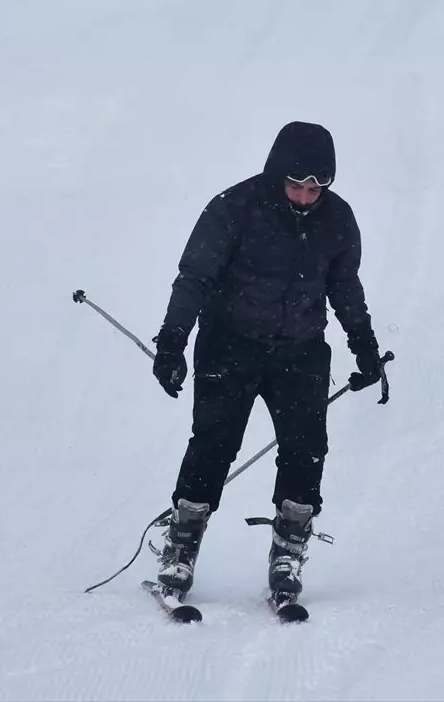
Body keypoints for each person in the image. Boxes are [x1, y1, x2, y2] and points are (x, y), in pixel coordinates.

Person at [149, 121, 389, 598]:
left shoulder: (337, 220)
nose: (304, 197)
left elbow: (345, 288)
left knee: (305, 451)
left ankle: (288, 553)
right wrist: (172, 342)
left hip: (300, 351)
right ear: (277, 173)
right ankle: (181, 547)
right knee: (213, 446)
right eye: (296, 185)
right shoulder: (234, 209)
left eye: (315, 188)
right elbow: (194, 277)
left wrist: (364, 347)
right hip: (229, 344)